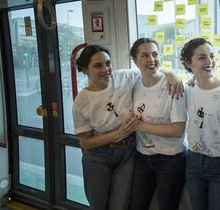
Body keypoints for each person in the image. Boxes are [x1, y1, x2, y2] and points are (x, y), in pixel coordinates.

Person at [72, 45, 183, 210]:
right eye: (98, 66)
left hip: (127, 153)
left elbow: (150, 68)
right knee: (98, 204)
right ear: (84, 70)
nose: (106, 69)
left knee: (121, 205)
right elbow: (85, 143)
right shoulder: (81, 101)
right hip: (98, 157)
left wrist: (172, 75)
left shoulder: (124, 77)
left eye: (108, 63)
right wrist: (120, 133)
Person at [130, 38, 187, 210]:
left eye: (155, 54)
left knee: (167, 206)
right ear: (135, 61)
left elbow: (178, 130)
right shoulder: (134, 83)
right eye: (145, 55)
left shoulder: (173, 86)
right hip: (142, 155)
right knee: (137, 205)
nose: (151, 59)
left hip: (170, 159)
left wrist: (140, 127)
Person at [180, 38, 220, 210]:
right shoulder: (187, 90)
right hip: (193, 161)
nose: (210, 62)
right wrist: (170, 75)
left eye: (212, 56)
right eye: (202, 57)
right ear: (188, 63)